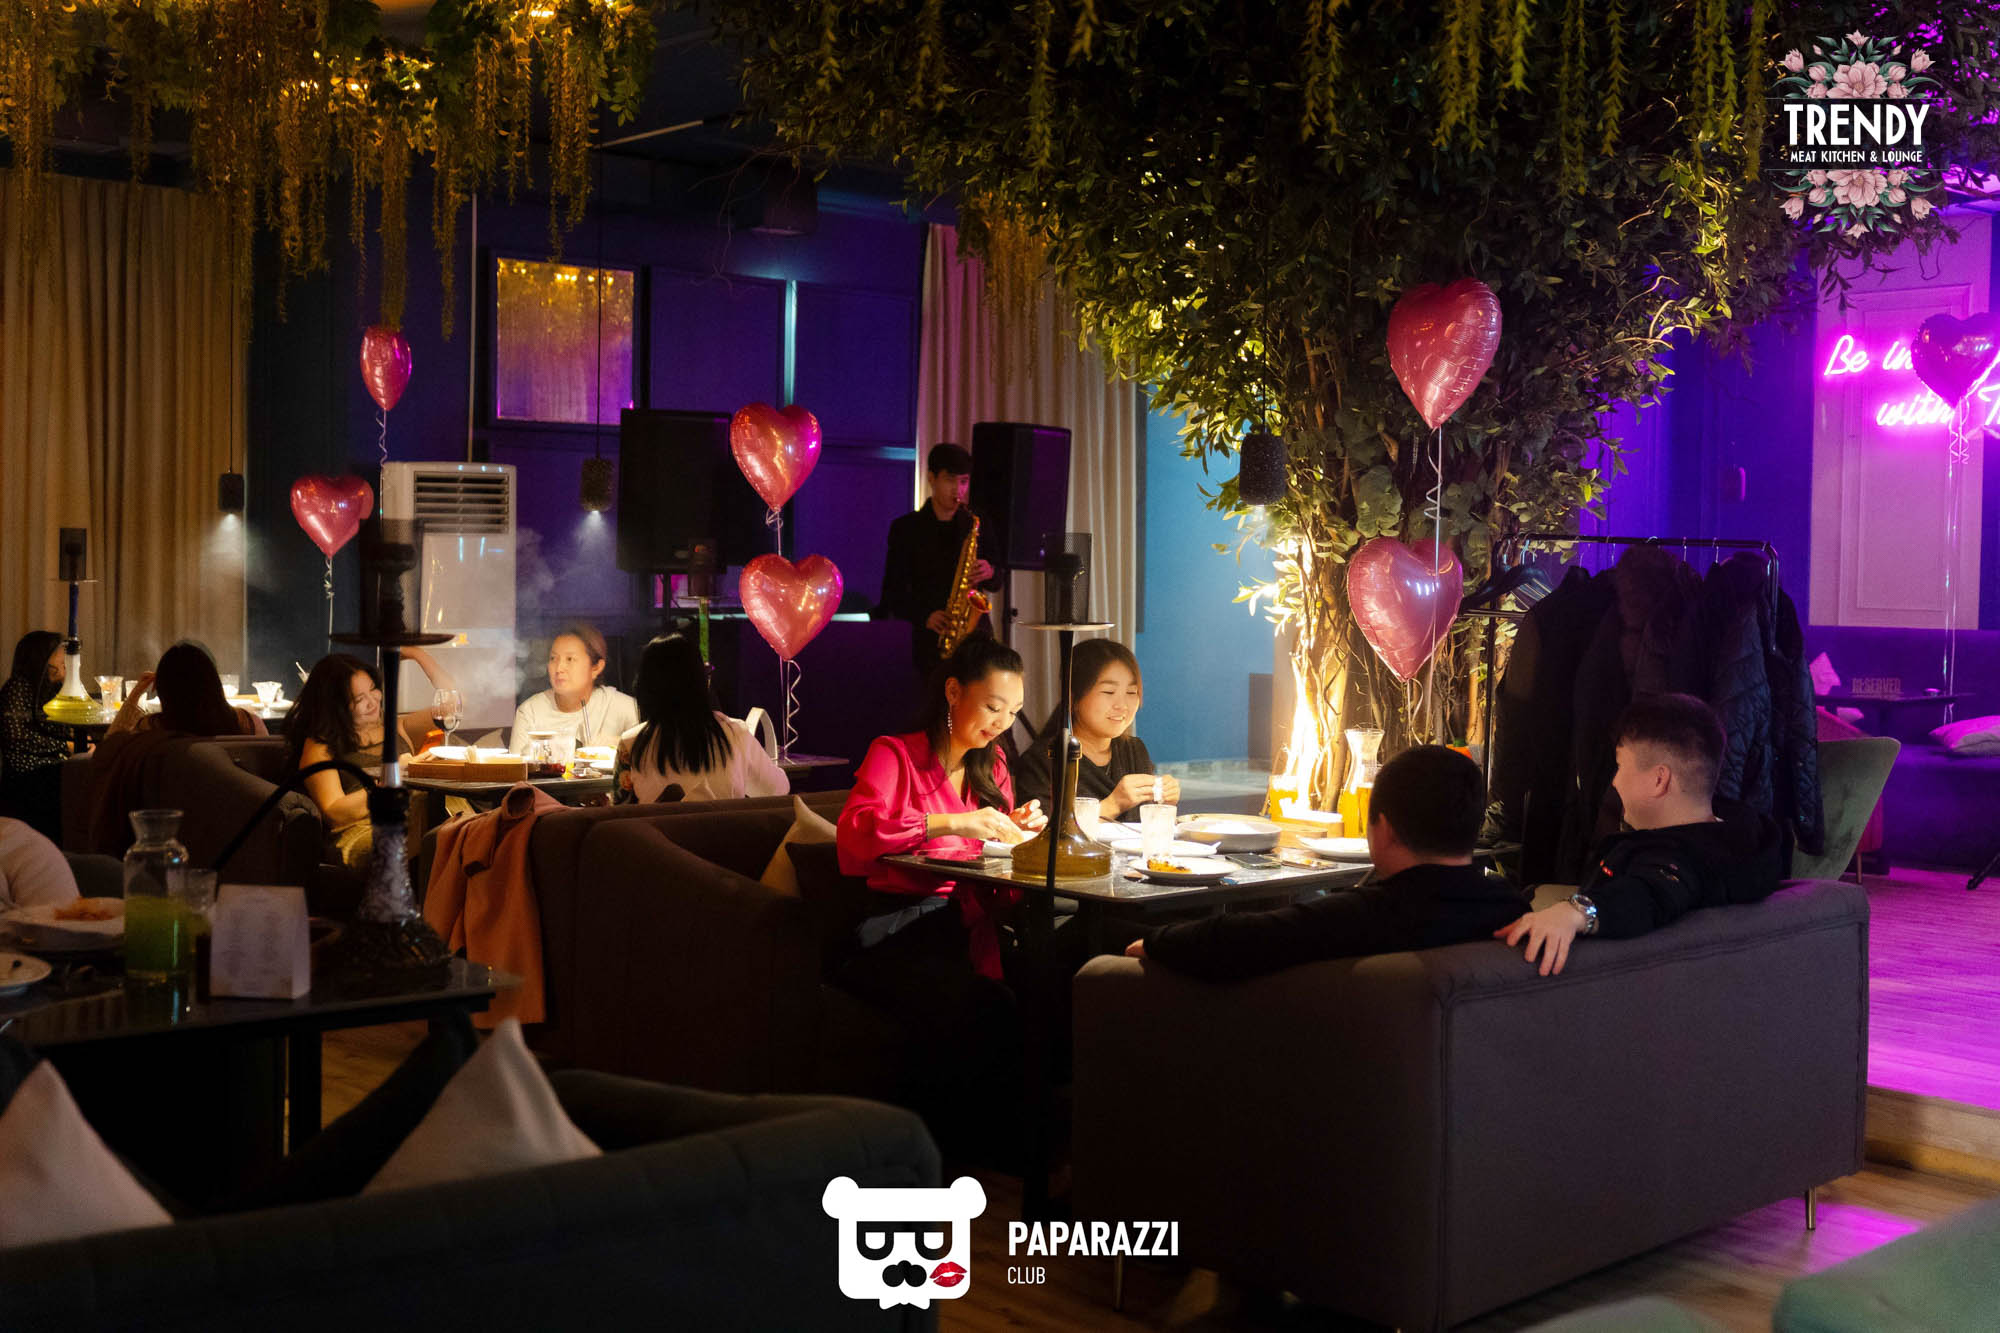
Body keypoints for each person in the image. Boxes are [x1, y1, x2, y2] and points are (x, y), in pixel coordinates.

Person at [834, 636, 1049, 1159]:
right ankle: (949, 1156)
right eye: (993, 706)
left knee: (1051, 987)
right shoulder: (895, 754)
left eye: (1013, 712)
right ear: (954, 691)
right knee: (978, 1005)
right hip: (896, 928)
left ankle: (1025, 1157)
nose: (1001, 723)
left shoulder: (993, 767)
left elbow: (995, 880)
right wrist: (952, 822)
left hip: (965, 925)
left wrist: (1018, 837)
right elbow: (855, 834)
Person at [1127, 746, 1527, 982]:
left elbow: (1235, 939)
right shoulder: (1514, 914)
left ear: (1383, 830)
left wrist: (1158, 942)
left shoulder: (1360, 917)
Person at [1496, 692, 1785, 976]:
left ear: (1659, 780)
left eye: (1620, 766)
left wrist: (1576, 912)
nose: (1615, 781)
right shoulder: (1746, 837)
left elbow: (1651, 892)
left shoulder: (1676, 864)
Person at [286, 648, 455, 868]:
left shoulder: (397, 726)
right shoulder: (320, 746)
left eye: (373, 689)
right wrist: (395, 774)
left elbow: (454, 706)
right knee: (440, 820)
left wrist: (418, 655)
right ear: (335, 706)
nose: (373, 702)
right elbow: (334, 813)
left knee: (463, 825)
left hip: (413, 821)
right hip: (361, 834)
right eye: (359, 699)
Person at [1011, 638, 1181, 821]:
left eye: (1131, 692)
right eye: (1109, 692)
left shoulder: (1134, 750)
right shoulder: (1044, 760)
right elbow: (1043, 831)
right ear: (1073, 698)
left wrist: (1164, 803)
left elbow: (1146, 827)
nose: (1122, 705)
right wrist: (1113, 805)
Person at [614, 634, 789, 804]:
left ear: (644, 687)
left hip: (658, 826)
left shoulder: (630, 743)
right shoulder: (735, 733)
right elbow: (778, 789)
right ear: (702, 681)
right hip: (726, 825)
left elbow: (621, 809)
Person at [874, 443, 1001, 672]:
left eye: (964, 481)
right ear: (931, 478)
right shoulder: (906, 529)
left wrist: (990, 571)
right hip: (931, 641)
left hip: (977, 640)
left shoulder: (976, 522)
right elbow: (892, 593)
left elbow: (998, 581)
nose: (958, 490)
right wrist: (925, 616)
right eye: (950, 480)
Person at [512, 623, 638, 750]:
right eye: (553, 658)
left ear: (596, 668)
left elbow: (645, 753)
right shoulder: (530, 712)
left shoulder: (624, 707)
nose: (559, 668)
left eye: (570, 659)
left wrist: (620, 744)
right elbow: (516, 762)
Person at [103, 641, 266, 738]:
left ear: (164, 691)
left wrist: (136, 693)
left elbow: (109, 750)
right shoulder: (249, 724)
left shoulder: (151, 727)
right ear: (215, 683)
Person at [0, 632, 72, 840]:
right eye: (59, 653)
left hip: (52, 766)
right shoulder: (18, 688)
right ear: (41, 657)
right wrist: (65, 746)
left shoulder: (52, 690)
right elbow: (18, 736)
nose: (64, 658)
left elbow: (62, 729)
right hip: (28, 773)